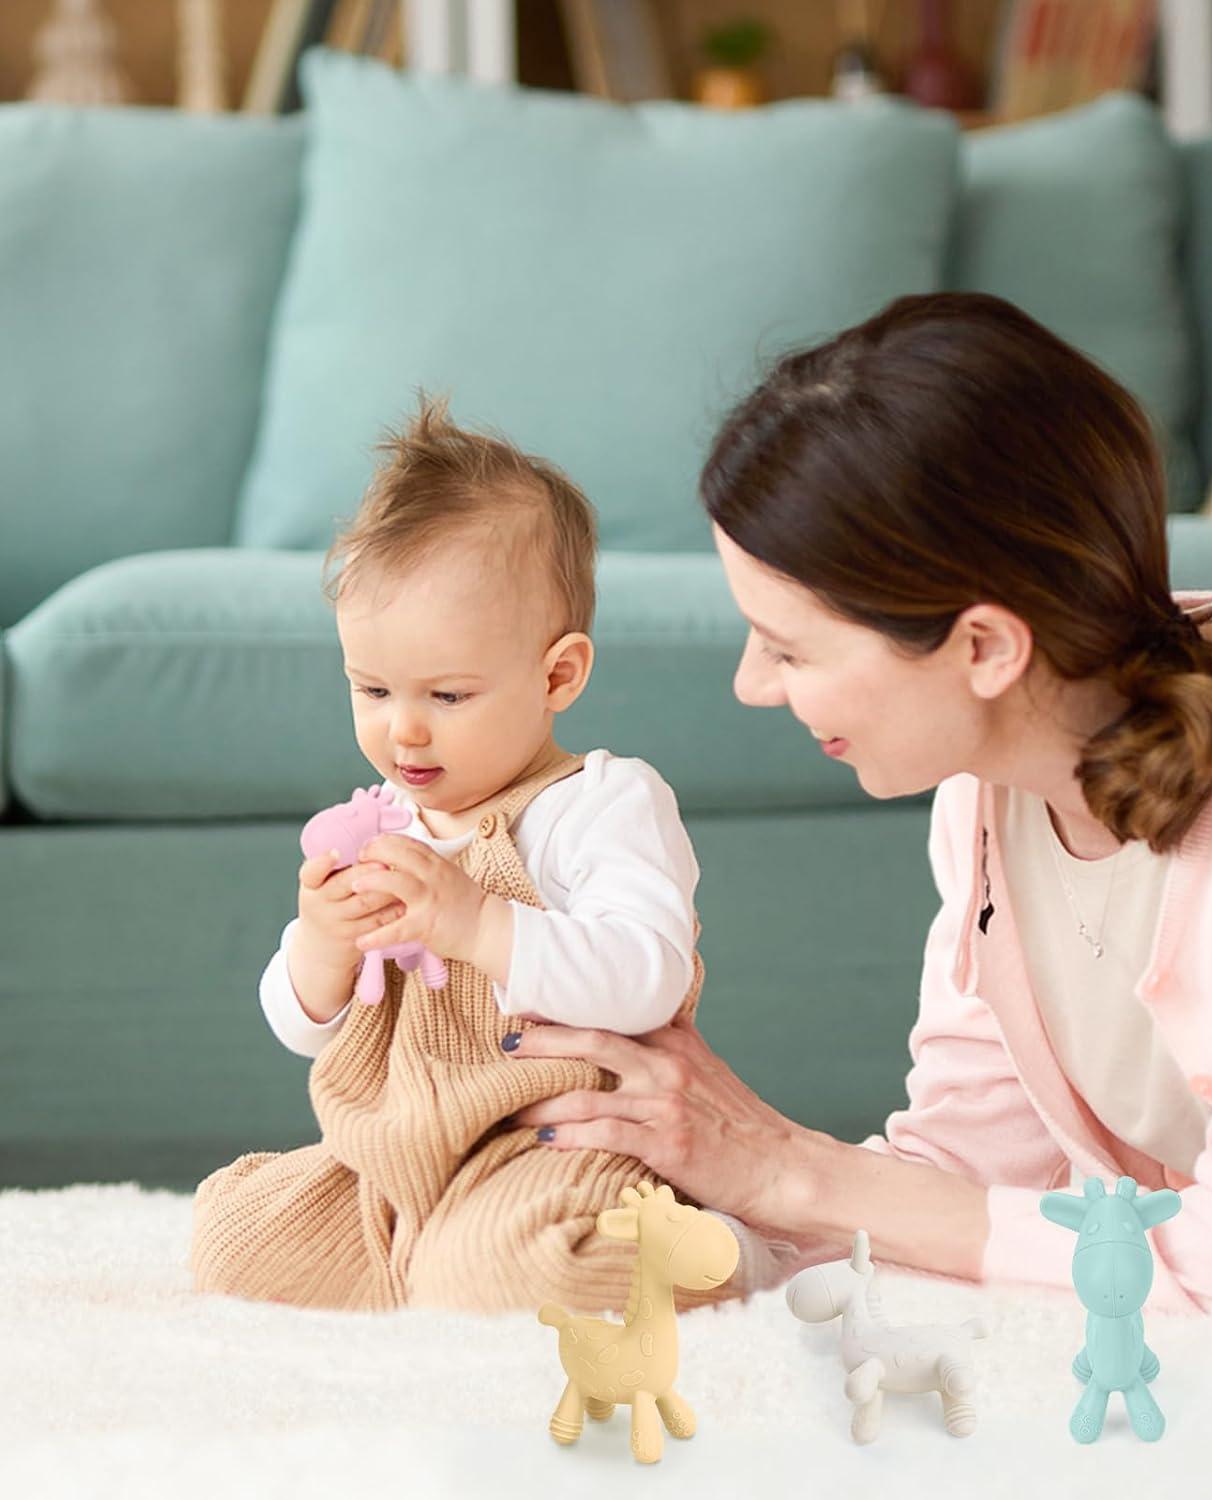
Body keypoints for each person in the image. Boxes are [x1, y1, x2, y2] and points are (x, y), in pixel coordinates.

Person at [499, 292, 1212, 1316]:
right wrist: (698, 1234)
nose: (752, 685)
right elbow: (966, 1177)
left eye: (791, 649)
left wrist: (792, 1171)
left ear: (983, 647)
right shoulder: (988, 787)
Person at [189, 395, 782, 1314]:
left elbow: (648, 978)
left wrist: (476, 923)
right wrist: (322, 947)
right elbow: (302, 1028)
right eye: (372, 690)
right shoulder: (386, 824)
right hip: (401, 1156)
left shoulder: (602, 802)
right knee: (231, 1236)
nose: (404, 729)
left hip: (554, 1146)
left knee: (520, 1269)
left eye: (448, 695)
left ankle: (718, 1250)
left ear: (558, 675)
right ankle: (421, 1256)